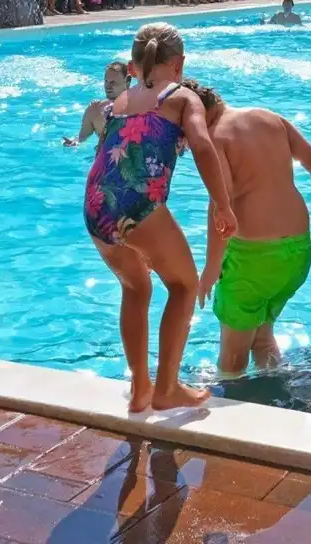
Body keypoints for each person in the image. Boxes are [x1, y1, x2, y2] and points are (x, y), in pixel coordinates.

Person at [83, 23, 237, 411]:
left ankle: (140, 389)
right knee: (183, 286)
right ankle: (167, 388)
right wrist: (223, 205)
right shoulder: (182, 96)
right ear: (179, 64)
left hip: (95, 204)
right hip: (138, 204)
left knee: (136, 289)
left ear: (133, 67)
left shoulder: (119, 101)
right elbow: (203, 146)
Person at [191, 81, 311, 375]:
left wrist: (211, 268)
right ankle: (276, 394)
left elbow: (219, 207)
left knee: (232, 357)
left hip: (253, 261)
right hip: (297, 253)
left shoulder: (214, 138)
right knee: (262, 338)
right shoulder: (269, 117)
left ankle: (227, 410)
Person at [65, 62, 131, 146]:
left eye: (113, 83)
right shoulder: (94, 110)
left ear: (127, 82)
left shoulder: (138, 108)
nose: (108, 86)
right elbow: (82, 137)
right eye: (106, 81)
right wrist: (74, 142)